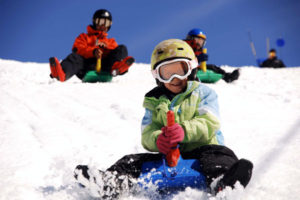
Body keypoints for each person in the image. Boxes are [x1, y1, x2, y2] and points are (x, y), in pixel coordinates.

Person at [74, 39, 253, 199]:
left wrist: (183, 130)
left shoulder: (203, 93)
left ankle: (222, 182)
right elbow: (147, 132)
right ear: (158, 77)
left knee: (221, 155)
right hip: (168, 155)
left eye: (180, 70)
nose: (175, 78)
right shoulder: (154, 102)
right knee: (130, 161)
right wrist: (159, 139)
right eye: (167, 73)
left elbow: (210, 121)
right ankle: (111, 182)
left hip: (204, 149)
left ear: (190, 69)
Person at [49, 9, 135, 82]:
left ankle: (117, 69)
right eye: (100, 22)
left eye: (106, 23)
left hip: (106, 67)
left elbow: (114, 53)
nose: (103, 25)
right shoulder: (84, 37)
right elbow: (78, 49)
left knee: (122, 49)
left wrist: (105, 50)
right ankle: (61, 73)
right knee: (74, 57)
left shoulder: (111, 41)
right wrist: (93, 51)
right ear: (95, 22)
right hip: (86, 66)